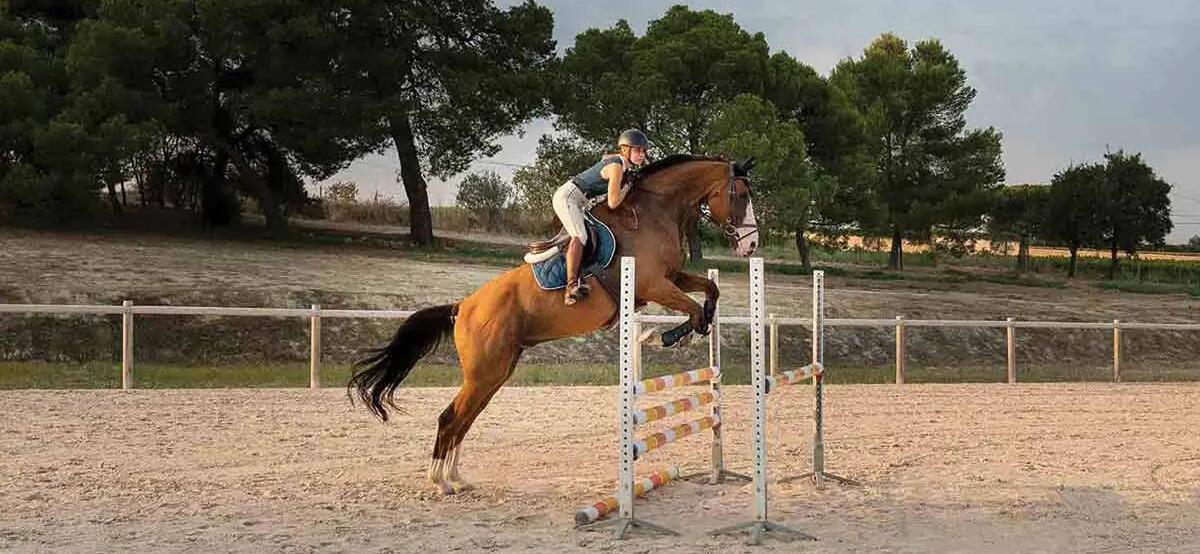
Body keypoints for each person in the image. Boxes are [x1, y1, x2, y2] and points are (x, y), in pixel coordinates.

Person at [552, 129, 648, 305]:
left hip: (580, 201)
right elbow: (613, 202)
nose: (642, 154)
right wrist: (627, 187)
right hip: (568, 197)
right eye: (637, 150)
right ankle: (571, 287)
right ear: (625, 150)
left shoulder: (621, 164)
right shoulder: (617, 166)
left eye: (643, 151)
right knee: (580, 235)